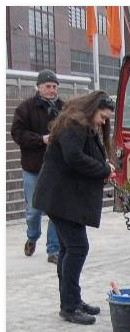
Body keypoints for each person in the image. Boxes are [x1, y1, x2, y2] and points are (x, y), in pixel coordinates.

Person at [32, 90, 116, 325]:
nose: (103, 122)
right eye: (102, 116)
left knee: (70, 250)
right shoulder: (73, 124)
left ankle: (72, 300)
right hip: (59, 199)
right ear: (92, 108)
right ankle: (69, 306)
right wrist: (103, 170)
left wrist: (104, 164)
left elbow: (83, 154)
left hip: (64, 198)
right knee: (78, 248)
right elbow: (74, 157)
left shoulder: (81, 124)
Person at [11, 69, 64, 264]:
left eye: (55, 87)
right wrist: (40, 139)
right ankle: (32, 236)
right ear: (39, 87)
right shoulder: (26, 108)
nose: (52, 90)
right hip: (33, 167)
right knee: (33, 210)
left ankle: (53, 250)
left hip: (56, 168)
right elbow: (17, 133)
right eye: (48, 86)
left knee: (55, 210)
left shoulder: (63, 108)